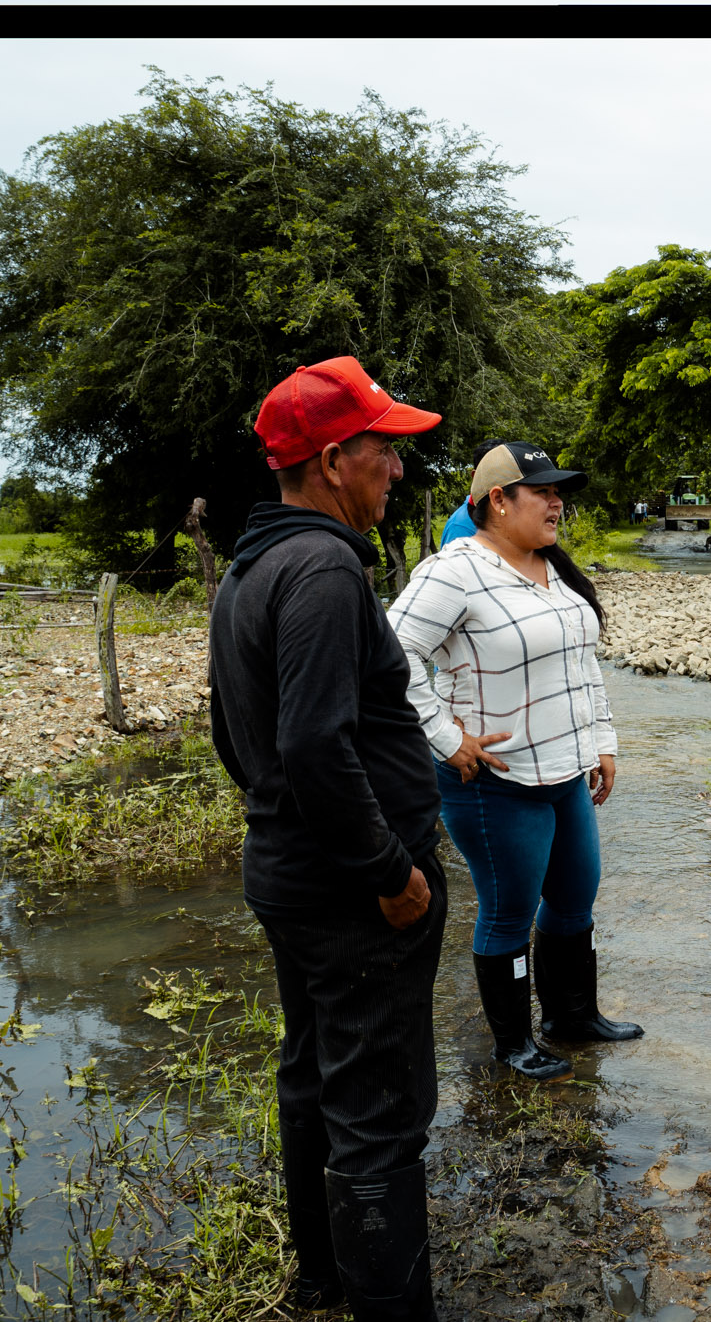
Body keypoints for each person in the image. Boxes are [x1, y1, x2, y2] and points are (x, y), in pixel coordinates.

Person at [208, 356, 446, 1320]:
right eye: (385, 450)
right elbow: (312, 741)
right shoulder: (324, 567)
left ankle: (323, 1277)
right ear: (334, 459)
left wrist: (293, 827)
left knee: (313, 1073)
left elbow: (234, 735)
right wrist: (388, 869)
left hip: (290, 875)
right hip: (354, 896)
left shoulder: (249, 566)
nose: (398, 468)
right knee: (379, 1109)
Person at [389, 442, 643, 1082]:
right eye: (543, 492)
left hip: (566, 772)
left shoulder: (550, 566)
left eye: (560, 492)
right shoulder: (455, 570)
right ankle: (514, 1042)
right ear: (498, 501)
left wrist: (602, 739)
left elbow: (582, 664)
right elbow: (391, 654)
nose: (557, 503)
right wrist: (443, 737)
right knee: (509, 909)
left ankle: (572, 1016)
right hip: (496, 782)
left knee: (575, 897)